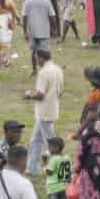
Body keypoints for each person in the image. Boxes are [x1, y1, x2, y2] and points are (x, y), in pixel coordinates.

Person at [24, 47, 64, 176]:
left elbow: (40, 95)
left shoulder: (43, 73)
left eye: (36, 59)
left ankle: (58, 169)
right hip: (52, 109)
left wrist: (29, 95)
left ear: (41, 58)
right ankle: (32, 168)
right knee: (36, 140)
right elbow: (61, 91)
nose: (36, 61)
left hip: (43, 111)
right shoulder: (57, 69)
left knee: (50, 143)